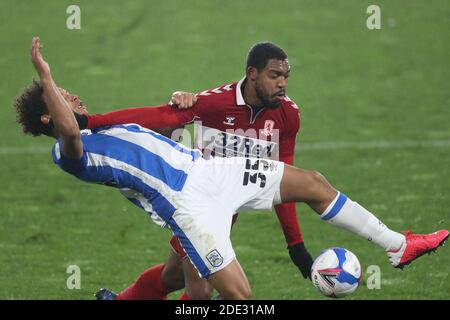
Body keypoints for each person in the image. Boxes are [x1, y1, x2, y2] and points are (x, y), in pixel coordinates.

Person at [16, 37, 448, 300]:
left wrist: (181, 105)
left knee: (313, 184)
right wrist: (46, 77)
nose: (72, 97)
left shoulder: (95, 129)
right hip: (189, 207)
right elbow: (73, 131)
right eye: (63, 98)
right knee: (235, 295)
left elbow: (158, 118)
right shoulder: (70, 152)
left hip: (212, 173)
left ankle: (397, 245)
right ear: (48, 118)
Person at [87, 42, 313, 300]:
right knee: (205, 293)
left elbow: (282, 180)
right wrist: (93, 121)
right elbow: (161, 118)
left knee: (171, 277)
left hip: (227, 213)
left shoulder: (287, 116)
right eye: (274, 76)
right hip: (194, 207)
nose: (282, 83)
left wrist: (295, 245)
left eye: (285, 76)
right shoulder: (215, 103)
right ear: (252, 73)